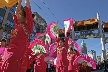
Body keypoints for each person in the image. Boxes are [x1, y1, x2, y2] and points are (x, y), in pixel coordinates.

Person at [2, 0, 33, 72]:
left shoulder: (28, 27)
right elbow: (16, 11)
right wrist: (19, 2)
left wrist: (26, 1)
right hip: (8, 54)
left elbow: (28, 7)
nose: (17, 16)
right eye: (18, 14)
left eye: (20, 15)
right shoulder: (17, 25)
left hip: (16, 55)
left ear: (25, 18)